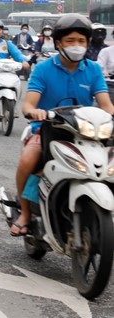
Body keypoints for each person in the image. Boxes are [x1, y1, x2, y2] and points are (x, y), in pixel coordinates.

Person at [12, 14, 114, 236]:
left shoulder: (93, 69)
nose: (77, 46)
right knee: (28, 160)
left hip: (87, 133)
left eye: (81, 41)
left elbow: (106, 105)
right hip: (49, 130)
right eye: (70, 41)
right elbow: (28, 105)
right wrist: (35, 112)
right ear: (58, 43)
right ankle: (25, 213)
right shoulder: (43, 69)